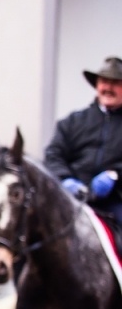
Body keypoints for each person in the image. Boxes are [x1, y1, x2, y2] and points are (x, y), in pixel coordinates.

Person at [46, 56, 122, 229]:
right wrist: (65, 180)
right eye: (104, 81)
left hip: (114, 202)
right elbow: (53, 154)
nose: (108, 88)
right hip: (70, 199)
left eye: (115, 83)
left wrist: (115, 175)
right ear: (96, 85)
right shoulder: (73, 122)